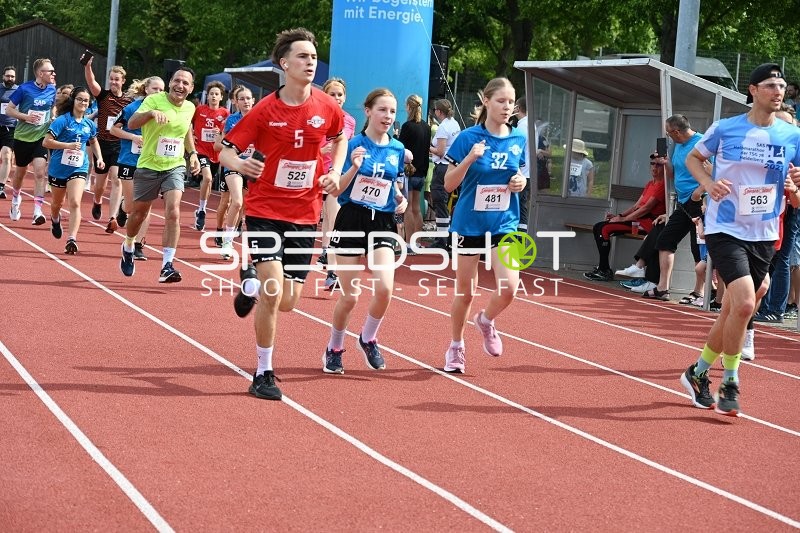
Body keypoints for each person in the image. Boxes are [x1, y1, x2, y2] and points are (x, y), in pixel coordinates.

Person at [217, 27, 346, 401]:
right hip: (265, 210)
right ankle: (263, 372)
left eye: (313, 56)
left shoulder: (326, 106)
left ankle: (249, 280)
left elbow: (340, 138)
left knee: (289, 301)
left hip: (305, 212)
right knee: (274, 295)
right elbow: (224, 150)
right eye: (303, 56)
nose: (310, 62)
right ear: (284, 64)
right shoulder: (263, 110)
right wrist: (240, 165)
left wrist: (335, 171)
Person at [680, 63, 800, 417]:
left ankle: (698, 371)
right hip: (725, 228)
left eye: (781, 86)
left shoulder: (792, 137)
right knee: (746, 303)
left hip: (764, 233)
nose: (778, 91)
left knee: (737, 306)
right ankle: (730, 380)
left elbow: (797, 197)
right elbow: (693, 157)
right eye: (770, 85)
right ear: (752, 90)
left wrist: (793, 189)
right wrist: (708, 184)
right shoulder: (726, 128)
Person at [440, 77, 527, 373]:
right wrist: (469, 159)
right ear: (486, 101)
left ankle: (486, 321)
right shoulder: (468, 137)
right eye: (501, 101)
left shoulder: (519, 140)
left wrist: (520, 182)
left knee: (509, 288)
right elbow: (449, 184)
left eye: (511, 102)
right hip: (469, 224)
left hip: (504, 222)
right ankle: (456, 347)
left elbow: (521, 176)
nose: (507, 107)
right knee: (465, 292)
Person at [322, 88, 408, 374]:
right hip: (352, 218)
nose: (388, 116)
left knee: (385, 287)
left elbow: (392, 183)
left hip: (382, 220)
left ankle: (368, 337)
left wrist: (400, 198)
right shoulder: (352, 144)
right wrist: (354, 167)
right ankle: (334, 347)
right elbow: (337, 189)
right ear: (368, 111)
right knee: (350, 296)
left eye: (393, 111)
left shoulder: (397, 148)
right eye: (382, 110)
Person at [118, 66, 201, 282]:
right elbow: (132, 123)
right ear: (170, 82)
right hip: (148, 165)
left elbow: (186, 132)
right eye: (177, 81)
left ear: (191, 88)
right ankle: (128, 245)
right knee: (139, 214)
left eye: (185, 83)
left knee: (173, 211)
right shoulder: (154, 100)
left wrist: (192, 154)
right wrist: (150, 114)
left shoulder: (190, 108)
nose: (180, 85)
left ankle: (167, 265)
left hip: (174, 166)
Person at [642, 115, 707, 301]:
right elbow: (673, 174)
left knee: (698, 248)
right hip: (683, 202)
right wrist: (665, 163)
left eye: (669, 133)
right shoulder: (678, 145)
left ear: (677, 132)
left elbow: (715, 172)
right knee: (665, 240)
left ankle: (699, 292)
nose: (668, 137)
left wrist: (700, 193)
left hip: (699, 201)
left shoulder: (702, 142)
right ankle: (663, 288)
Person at [584, 153, 666, 281]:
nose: (654, 168)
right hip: (637, 220)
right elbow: (636, 206)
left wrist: (623, 220)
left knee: (604, 229)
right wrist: (620, 215)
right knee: (599, 226)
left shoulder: (663, 185)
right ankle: (603, 267)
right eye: (652, 164)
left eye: (659, 165)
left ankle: (604, 270)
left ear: (665, 167)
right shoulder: (650, 183)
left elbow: (646, 208)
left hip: (648, 223)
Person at [110, 76, 165, 261]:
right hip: (129, 160)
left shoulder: (164, 110)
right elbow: (113, 130)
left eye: (161, 90)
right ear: (146, 89)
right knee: (132, 207)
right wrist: (132, 137)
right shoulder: (132, 108)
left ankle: (139, 245)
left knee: (145, 207)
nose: (158, 93)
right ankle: (122, 207)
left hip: (151, 163)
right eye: (155, 89)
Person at [41, 87, 103, 253]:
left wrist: (100, 158)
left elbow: (94, 141)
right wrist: (67, 145)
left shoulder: (89, 124)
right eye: (80, 99)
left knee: (75, 202)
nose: (83, 103)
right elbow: (46, 143)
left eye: (86, 100)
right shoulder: (62, 121)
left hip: (79, 167)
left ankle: (72, 239)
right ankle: (55, 219)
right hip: (58, 168)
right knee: (57, 203)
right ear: (73, 101)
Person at [5, 58, 57, 224]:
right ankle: (15, 199)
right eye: (50, 71)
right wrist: (26, 117)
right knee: (20, 173)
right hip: (22, 137)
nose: (53, 73)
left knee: (40, 173)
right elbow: (9, 109)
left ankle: (37, 211)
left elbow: (52, 106)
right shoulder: (24, 89)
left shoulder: (52, 89)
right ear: (41, 73)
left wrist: (53, 116)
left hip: (40, 137)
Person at [84, 60, 133, 233]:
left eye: (116, 79)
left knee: (117, 179)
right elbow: (91, 82)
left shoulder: (129, 100)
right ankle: (97, 201)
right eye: (111, 79)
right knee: (100, 184)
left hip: (119, 145)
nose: (113, 82)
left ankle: (112, 217)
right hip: (102, 143)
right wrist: (88, 66)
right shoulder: (103, 96)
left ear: (123, 81)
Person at [317, 77, 357, 290]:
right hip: (315, 174)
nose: (336, 98)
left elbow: (347, 147)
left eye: (340, 94)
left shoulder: (349, 120)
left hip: (336, 176)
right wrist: (319, 151)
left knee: (334, 219)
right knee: (324, 217)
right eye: (332, 94)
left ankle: (332, 272)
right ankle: (325, 252)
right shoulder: (316, 117)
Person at [213, 86, 254, 258]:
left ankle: (232, 231)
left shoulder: (261, 118)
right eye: (242, 99)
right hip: (234, 165)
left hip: (251, 166)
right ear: (236, 102)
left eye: (248, 98)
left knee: (244, 205)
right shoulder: (232, 120)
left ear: (253, 101)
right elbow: (221, 145)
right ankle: (227, 242)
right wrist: (236, 146)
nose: (246, 102)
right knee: (235, 202)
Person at [192, 80, 229, 231]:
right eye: (211, 94)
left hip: (217, 152)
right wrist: (191, 135)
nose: (213, 96)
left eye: (216, 94)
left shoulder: (225, 114)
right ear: (207, 96)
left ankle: (201, 207)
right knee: (207, 178)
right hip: (201, 149)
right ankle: (202, 210)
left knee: (209, 181)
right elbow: (188, 124)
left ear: (221, 97)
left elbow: (229, 133)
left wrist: (220, 134)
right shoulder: (199, 110)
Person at [398, 94, 431, 246]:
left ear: (408, 107)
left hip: (409, 171)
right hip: (421, 172)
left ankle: (409, 241)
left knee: (408, 207)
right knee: (417, 207)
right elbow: (425, 151)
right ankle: (417, 241)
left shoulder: (407, 126)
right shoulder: (426, 127)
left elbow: (402, 150)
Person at [429, 98, 461, 248]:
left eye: (435, 110)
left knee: (439, 202)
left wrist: (427, 147)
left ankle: (443, 240)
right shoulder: (454, 123)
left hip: (442, 166)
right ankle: (446, 237)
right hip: (452, 165)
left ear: (439, 111)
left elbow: (440, 151)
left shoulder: (443, 127)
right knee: (444, 202)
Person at [513, 97, 532, 232]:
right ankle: (521, 239)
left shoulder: (522, 126)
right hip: (528, 172)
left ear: (518, 108)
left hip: (521, 172)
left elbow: (517, 148)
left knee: (515, 207)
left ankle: (516, 241)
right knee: (522, 207)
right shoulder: (531, 125)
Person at [0, 66, 18, 200]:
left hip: (10, 127)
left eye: (12, 76)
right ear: (3, 76)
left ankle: (1, 186)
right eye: (7, 76)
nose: (10, 78)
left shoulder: (19, 91)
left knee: (6, 155)